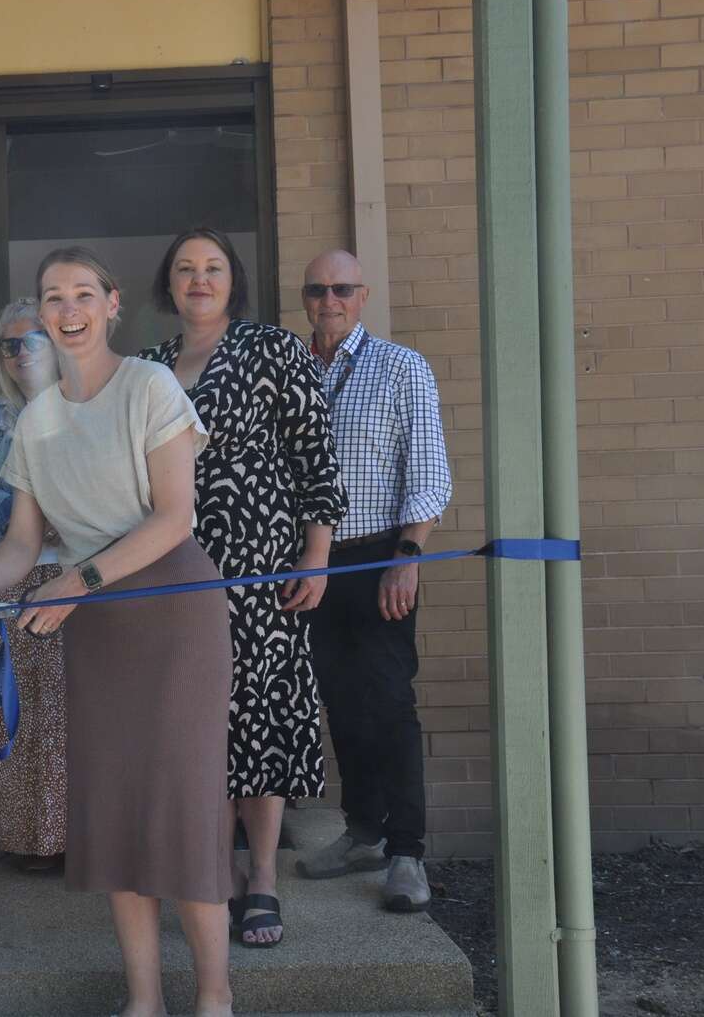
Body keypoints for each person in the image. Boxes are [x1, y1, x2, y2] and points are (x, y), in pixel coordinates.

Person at [0, 248, 234, 1017]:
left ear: (112, 304)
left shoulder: (149, 385)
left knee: (180, 806)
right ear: (42, 315)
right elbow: (22, 541)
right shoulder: (34, 425)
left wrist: (76, 582)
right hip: (95, 626)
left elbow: (173, 517)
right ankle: (143, 1002)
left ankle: (215, 1000)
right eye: (55, 297)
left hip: (174, 610)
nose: (69, 307)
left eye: (84, 293)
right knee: (114, 812)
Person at [138, 228, 346, 949]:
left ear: (234, 281)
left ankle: (260, 875)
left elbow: (315, 450)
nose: (199, 279)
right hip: (173, 571)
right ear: (167, 283)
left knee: (261, 714)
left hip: (262, 565)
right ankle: (210, 868)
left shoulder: (272, 348)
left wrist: (316, 554)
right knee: (196, 721)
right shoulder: (147, 367)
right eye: (186, 269)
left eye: (214, 267)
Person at [295, 249, 452, 914]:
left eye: (341, 288)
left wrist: (408, 555)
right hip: (309, 566)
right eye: (317, 288)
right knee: (338, 702)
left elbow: (429, 472)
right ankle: (361, 832)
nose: (328, 298)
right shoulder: (292, 369)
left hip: (379, 558)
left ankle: (407, 852)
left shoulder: (400, 367)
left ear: (363, 297)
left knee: (388, 705)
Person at [0, 299, 67, 869]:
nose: (19, 352)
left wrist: (61, 515)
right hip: (12, 572)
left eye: (32, 340)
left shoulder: (90, 405)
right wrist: (21, 512)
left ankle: (78, 835)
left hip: (79, 578)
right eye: (8, 344)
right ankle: (25, 836)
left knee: (71, 712)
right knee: (14, 709)